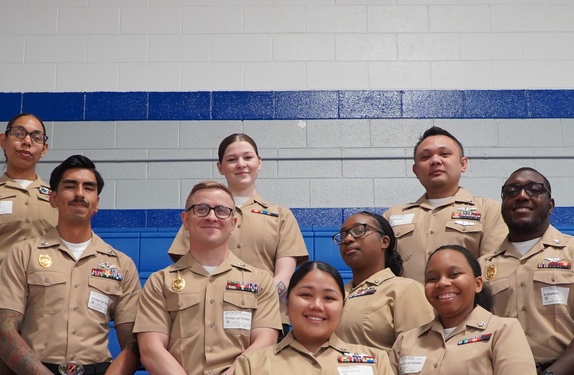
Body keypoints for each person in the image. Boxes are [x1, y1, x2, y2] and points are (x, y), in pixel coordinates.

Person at [0, 155, 141, 375]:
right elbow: (2, 331)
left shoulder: (121, 265)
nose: (79, 193)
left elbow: (133, 342)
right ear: (53, 198)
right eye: (70, 186)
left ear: (97, 203)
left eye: (89, 188)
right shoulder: (23, 254)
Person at [168, 133, 308, 338]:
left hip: (266, 318)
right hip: (207, 318)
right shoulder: (201, 214)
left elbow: (284, 276)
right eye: (232, 159)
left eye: (248, 157)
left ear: (259, 163)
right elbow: (185, 268)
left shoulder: (280, 215)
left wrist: (256, 300)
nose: (241, 164)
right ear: (220, 167)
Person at [134, 180, 281, 375]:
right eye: (201, 209)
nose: (212, 217)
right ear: (185, 220)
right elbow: (151, 350)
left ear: (233, 223)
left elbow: (265, 344)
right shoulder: (160, 282)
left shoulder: (260, 281)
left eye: (221, 210)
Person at [0, 113, 58, 374]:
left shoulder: (59, 199)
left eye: (36, 137)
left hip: (44, 314)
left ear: (44, 149)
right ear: (3, 140)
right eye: (19, 133)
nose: (27, 142)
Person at [479, 167, 574, 375]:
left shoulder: (572, 253)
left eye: (534, 189)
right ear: (503, 206)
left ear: (550, 206)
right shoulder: (482, 267)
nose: (521, 196)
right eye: (511, 191)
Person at [383, 126, 507, 283]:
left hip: (467, 306)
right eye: (425, 157)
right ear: (415, 170)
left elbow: (493, 270)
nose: (435, 161)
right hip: (407, 307)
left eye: (444, 154)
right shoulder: (393, 215)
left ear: (463, 164)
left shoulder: (488, 210)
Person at [391, 245, 536, 375]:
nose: (442, 283)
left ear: (477, 284)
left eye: (454, 274)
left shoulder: (502, 331)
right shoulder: (406, 341)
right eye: (432, 278)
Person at [234, 261, 394, 375]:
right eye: (306, 295)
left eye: (329, 298)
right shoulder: (251, 364)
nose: (317, 305)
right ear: (287, 305)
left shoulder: (376, 361)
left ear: (343, 308)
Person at [333, 211, 434, 352]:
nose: (347, 239)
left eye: (359, 231)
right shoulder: (336, 295)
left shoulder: (404, 289)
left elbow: (419, 354)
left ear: (384, 242)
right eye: (343, 235)